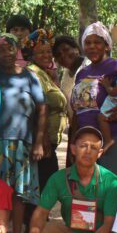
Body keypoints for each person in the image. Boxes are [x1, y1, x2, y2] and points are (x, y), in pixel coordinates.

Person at [27, 126, 117, 233]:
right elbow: (41, 212)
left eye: (94, 147)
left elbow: (109, 224)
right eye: (83, 145)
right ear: (73, 148)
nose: (88, 151)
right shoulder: (58, 179)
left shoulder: (111, 182)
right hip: (70, 232)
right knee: (43, 231)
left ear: (100, 153)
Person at [0, 34, 47, 233]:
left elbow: (42, 108)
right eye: (1, 50)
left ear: (17, 51)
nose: (7, 53)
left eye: (11, 48)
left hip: (23, 141)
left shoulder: (29, 76)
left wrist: (39, 142)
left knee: (20, 193)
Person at [70, 22, 117, 179]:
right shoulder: (82, 73)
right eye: (88, 43)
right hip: (87, 138)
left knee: (107, 186)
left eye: (97, 42)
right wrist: (74, 138)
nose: (92, 46)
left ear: (107, 46)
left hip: (115, 136)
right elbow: (77, 111)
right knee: (91, 187)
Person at [27, 31, 67, 190]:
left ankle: (41, 215)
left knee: (46, 181)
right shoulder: (32, 72)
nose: (46, 55)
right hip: (43, 139)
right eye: (41, 52)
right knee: (46, 182)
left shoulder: (45, 73)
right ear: (32, 54)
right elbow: (35, 108)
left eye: (48, 51)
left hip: (50, 139)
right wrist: (41, 139)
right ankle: (38, 215)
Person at [53, 35, 87, 127]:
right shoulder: (66, 74)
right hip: (76, 128)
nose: (63, 55)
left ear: (76, 49)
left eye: (66, 50)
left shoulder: (88, 68)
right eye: (58, 55)